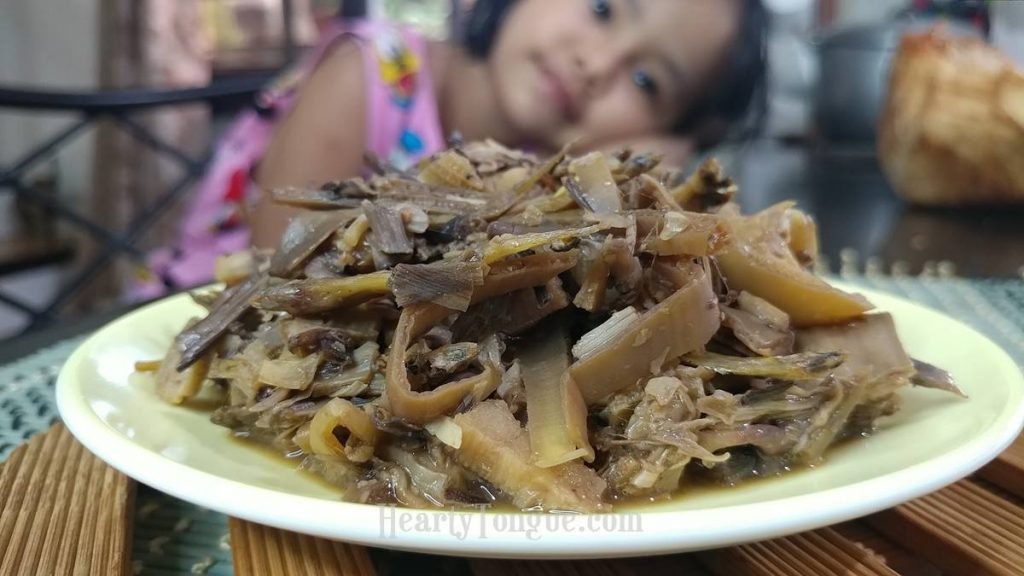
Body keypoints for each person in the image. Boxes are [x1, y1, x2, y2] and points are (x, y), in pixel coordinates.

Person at [133, 0, 767, 298]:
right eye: (602, 9)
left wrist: (629, 170)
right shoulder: (371, 76)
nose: (595, 63)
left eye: (647, 81)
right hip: (206, 314)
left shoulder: (554, 171)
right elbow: (282, 275)